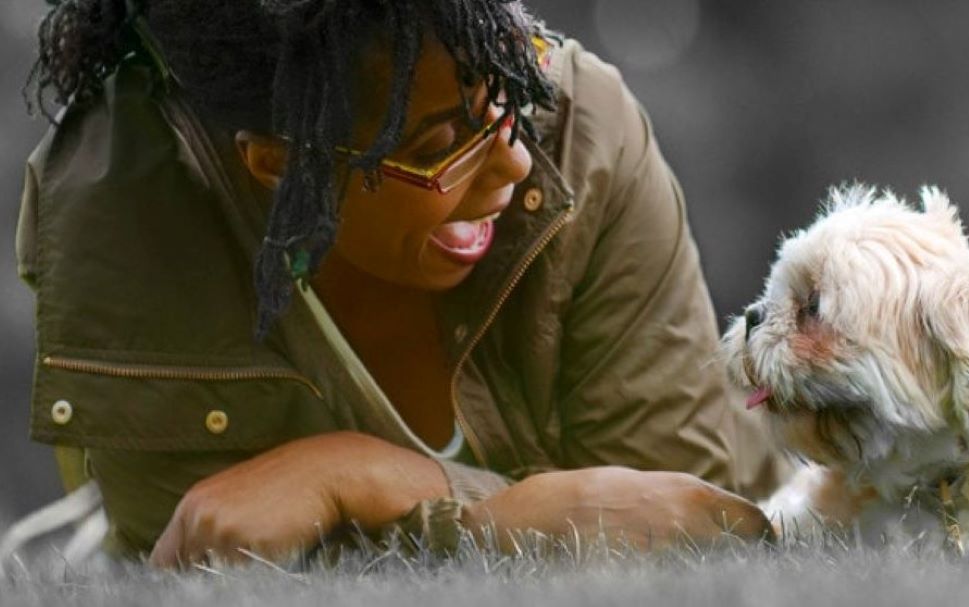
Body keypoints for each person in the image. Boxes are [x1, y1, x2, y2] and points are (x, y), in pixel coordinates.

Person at [14, 0, 786, 566]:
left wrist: (364, 477)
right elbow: (215, 562)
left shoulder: (583, 132)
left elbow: (684, 527)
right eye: (442, 142)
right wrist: (531, 510)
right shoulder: (123, 213)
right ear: (281, 164)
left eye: (507, 95)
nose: (517, 164)